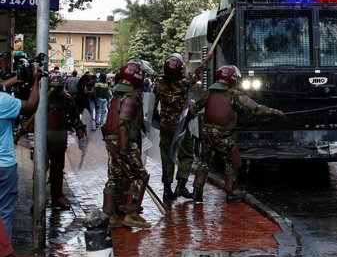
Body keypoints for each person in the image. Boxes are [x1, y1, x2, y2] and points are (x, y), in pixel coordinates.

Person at [191, 65, 284, 203]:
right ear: (231, 78)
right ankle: (231, 192)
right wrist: (276, 112)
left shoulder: (209, 93)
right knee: (233, 162)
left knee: (205, 162)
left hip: (207, 134)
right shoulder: (235, 95)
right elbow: (256, 109)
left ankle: (197, 192)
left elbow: (193, 109)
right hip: (225, 135)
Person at [101, 60, 151, 228]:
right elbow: (124, 123)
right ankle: (131, 213)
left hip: (110, 138)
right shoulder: (131, 96)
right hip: (123, 141)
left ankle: (110, 214)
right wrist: (123, 146)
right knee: (139, 175)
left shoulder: (117, 94)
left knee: (115, 176)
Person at [152, 54, 203, 201]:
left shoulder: (158, 83)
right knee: (186, 155)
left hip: (165, 126)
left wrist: (158, 120)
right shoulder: (184, 83)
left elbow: (153, 106)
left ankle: (167, 189)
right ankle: (181, 185)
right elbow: (198, 74)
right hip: (180, 126)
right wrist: (205, 62)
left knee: (166, 156)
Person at [0, 65, 40, 244]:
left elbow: (2, 84)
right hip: (4, 167)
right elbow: (31, 106)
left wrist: (18, 78)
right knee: (4, 214)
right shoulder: (3, 101)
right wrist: (36, 81)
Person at [44, 70, 87, 209]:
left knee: (58, 169)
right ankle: (38, 198)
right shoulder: (42, 99)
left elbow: (75, 118)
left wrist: (82, 137)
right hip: (43, 139)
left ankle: (57, 196)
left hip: (60, 137)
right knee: (41, 168)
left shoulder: (67, 99)